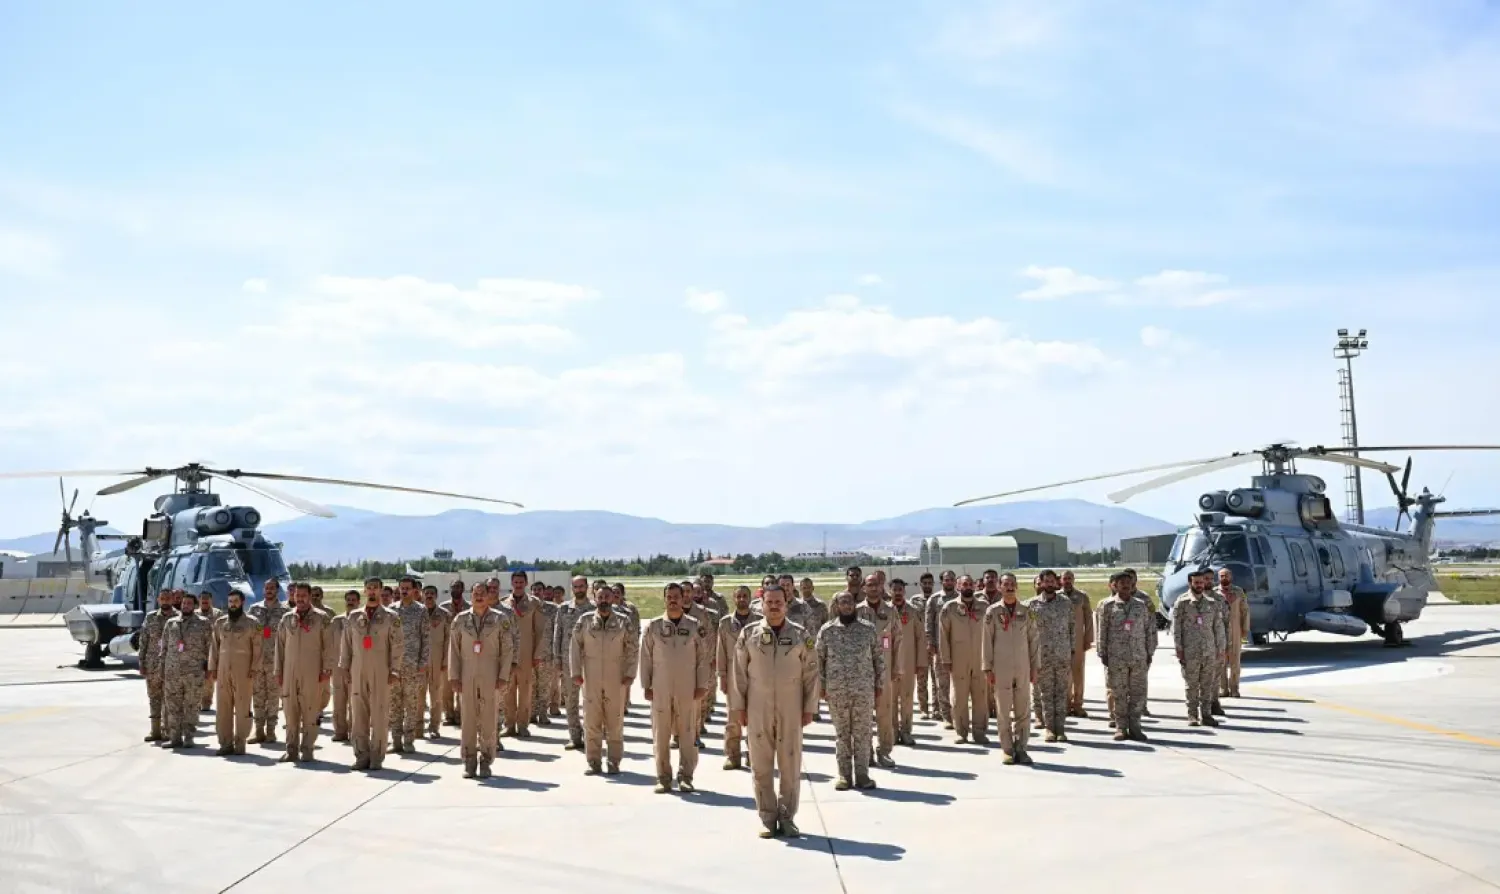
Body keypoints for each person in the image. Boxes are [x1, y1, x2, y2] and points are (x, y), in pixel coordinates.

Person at [734, 583, 818, 838]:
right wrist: (738, 707)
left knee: (790, 763)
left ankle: (787, 816)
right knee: (760, 763)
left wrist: (809, 707)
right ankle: (767, 818)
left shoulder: (802, 635)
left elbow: (812, 673)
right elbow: (738, 673)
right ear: (762, 604)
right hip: (758, 706)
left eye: (778, 602)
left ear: (786, 603)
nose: (773, 607)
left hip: (790, 707)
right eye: (769, 602)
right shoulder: (749, 634)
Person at [641, 583, 712, 793]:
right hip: (660, 688)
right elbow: (645, 658)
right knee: (661, 734)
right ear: (664, 599)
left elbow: (703, 658)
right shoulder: (653, 627)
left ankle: (686, 776)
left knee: (688, 734)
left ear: (684, 599)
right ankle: (663, 777)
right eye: (669, 597)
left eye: (676, 597)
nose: (672, 600)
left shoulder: (693, 626)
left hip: (687, 688)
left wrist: (702, 685)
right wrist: (647, 685)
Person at [815, 589, 879, 792]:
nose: (847, 606)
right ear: (837, 606)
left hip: (863, 691)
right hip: (837, 692)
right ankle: (844, 775)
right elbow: (818, 661)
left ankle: (862, 775)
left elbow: (878, 659)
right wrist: (821, 687)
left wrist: (879, 684)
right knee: (842, 735)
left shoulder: (868, 629)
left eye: (850, 602)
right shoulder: (827, 631)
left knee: (863, 734)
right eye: (843, 603)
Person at [448, 584, 514, 778]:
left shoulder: (500, 619)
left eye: (482, 594)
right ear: (471, 595)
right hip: (467, 674)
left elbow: (507, 649)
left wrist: (503, 676)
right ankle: (468, 761)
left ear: (489, 596)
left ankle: (486, 760)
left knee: (488, 719)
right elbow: (454, 650)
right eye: (475, 594)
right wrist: (454, 677)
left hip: (490, 674)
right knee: (467, 719)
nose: (478, 597)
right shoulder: (460, 620)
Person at [570, 591, 638, 776]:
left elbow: (632, 647)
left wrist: (630, 673)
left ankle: (614, 761)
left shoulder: (624, 621)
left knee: (614, 722)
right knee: (591, 721)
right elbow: (575, 647)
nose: (604, 601)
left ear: (613, 599)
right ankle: (593, 761)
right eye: (600, 598)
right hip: (590, 677)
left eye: (607, 597)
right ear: (595, 599)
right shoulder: (585, 621)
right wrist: (575, 672)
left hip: (615, 677)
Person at [342, 578, 401, 771]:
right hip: (358, 669)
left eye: (376, 588)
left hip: (381, 670)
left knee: (379, 715)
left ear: (381, 590)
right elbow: (347, 644)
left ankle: (377, 756)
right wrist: (345, 668)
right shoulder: (353, 617)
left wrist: (395, 669)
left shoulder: (391, 617)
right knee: (358, 715)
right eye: (369, 588)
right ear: (365, 591)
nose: (372, 591)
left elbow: (397, 646)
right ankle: (361, 755)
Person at [276, 582, 334, 763]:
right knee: (290, 712)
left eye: (303, 595)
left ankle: (308, 749)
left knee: (310, 712)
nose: (299, 599)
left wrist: (326, 670)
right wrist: (278, 671)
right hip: (290, 673)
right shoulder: (287, 619)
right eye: (296, 595)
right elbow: (280, 647)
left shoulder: (321, 618)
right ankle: (291, 749)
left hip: (312, 672)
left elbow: (329, 647)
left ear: (309, 597)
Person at [983, 578, 1038, 764]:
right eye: (1005, 584)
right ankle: (1007, 749)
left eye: (1012, 584)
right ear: (1000, 587)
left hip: (1022, 668)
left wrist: (1034, 667)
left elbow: (1034, 640)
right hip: (1001, 668)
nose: (1009, 587)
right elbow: (987, 642)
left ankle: (1021, 748)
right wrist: (987, 668)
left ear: (1017, 586)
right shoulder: (993, 612)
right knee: (1003, 711)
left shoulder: (1026, 611)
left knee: (1023, 710)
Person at [1097, 572, 1154, 741]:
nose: (1125, 585)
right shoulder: (1107, 606)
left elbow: (1149, 630)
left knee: (1137, 693)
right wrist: (1103, 653)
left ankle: (1135, 726)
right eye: (1121, 583)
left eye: (1128, 582)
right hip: (1116, 657)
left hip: (1138, 655)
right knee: (1119, 693)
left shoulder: (1141, 605)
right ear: (1114, 585)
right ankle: (1121, 727)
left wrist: (1149, 651)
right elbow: (1102, 631)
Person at [856, 573, 900, 768]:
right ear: (864, 587)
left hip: (885, 668)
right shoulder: (856, 611)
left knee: (885, 713)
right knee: (864, 715)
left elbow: (897, 640)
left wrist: (897, 667)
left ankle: (885, 752)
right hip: (861, 670)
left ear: (882, 587)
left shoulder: (890, 610)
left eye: (877, 584)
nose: (874, 588)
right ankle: (866, 753)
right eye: (870, 584)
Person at [208, 588, 259, 756]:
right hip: (223, 671)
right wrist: (212, 668)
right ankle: (225, 743)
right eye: (230, 602)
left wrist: (255, 668)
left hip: (244, 672)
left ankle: (240, 743)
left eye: (236, 601)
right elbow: (214, 647)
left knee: (243, 707)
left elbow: (258, 648)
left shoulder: (252, 623)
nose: (233, 605)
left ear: (242, 602)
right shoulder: (220, 623)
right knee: (223, 708)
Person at [939, 575, 990, 744]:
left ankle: (979, 732)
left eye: (970, 583)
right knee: (959, 698)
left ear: (975, 586)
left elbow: (992, 634)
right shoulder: (950, 608)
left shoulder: (984, 606)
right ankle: (961, 732)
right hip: (958, 659)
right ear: (958, 586)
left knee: (981, 697)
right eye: (964, 584)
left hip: (980, 658)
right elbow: (943, 635)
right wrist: (946, 659)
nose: (967, 586)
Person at [1171, 568, 1224, 727]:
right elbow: (1177, 628)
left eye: (1202, 582)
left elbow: (1218, 627)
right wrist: (1179, 649)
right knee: (1192, 685)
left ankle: (1206, 714)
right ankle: (1192, 715)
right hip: (1190, 651)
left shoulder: (1212, 604)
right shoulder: (1182, 602)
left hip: (1209, 650)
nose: (1200, 585)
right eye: (1196, 583)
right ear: (1190, 583)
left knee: (1208, 684)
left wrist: (1220, 649)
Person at [1028, 570, 1075, 743]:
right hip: (1042, 657)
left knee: (1061, 693)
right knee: (1046, 694)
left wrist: (1072, 650)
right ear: (1040, 583)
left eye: (1051, 581)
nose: (1048, 584)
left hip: (1062, 655)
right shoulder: (1032, 605)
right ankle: (1049, 728)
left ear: (1056, 583)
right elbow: (1028, 632)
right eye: (1045, 581)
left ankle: (1060, 728)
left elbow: (1072, 627)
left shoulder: (1066, 603)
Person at [717, 586, 761, 770]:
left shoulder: (760, 621)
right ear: (733, 599)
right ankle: (732, 756)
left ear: (750, 598)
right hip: (733, 675)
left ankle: (753, 755)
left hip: (755, 676)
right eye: (738, 596)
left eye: (745, 596)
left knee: (755, 718)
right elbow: (720, 651)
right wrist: (722, 676)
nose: (742, 599)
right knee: (733, 719)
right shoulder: (725, 623)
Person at [162, 591, 212, 749]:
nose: (185, 606)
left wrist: (209, 668)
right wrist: (162, 668)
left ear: (195, 606)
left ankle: (189, 737)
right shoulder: (171, 623)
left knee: (191, 705)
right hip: (173, 672)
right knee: (173, 705)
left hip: (194, 673)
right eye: (184, 603)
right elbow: (163, 647)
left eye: (189, 603)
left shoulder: (204, 623)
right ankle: (175, 737)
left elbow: (210, 647)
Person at [502, 572, 546, 739]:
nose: (518, 584)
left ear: (526, 583)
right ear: (512, 583)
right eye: (516, 582)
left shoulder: (535, 603)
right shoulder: (504, 603)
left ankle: (523, 725)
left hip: (526, 653)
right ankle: (509, 724)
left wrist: (537, 653)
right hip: (508, 653)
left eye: (521, 582)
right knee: (508, 690)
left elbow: (540, 630)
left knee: (525, 690)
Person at [554, 576, 595, 751]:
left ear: (587, 587)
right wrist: (556, 659)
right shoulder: (563, 609)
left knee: (591, 702)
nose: (578, 589)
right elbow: (558, 634)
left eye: (581, 586)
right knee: (571, 701)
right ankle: (575, 737)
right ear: (571, 588)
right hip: (568, 661)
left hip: (590, 662)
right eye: (575, 586)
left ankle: (591, 736)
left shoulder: (594, 609)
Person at [390, 577, 430, 754]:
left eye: (408, 588)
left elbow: (426, 639)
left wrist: (422, 663)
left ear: (415, 591)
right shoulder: (390, 611)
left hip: (412, 665)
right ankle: (396, 740)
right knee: (394, 704)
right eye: (402, 588)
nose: (404, 591)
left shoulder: (421, 611)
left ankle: (408, 740)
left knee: (411, 704)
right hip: (393, 667)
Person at [247, 579, 288, 744]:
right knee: (257, 696)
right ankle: (258, 731)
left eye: (272, 588)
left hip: (276, 661)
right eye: (267, 588)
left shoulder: (285, 611)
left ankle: (270, 731)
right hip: (257, 660)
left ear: (277, 590)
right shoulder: (254, 609)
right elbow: (248, 634)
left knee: (272, 697)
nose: (269, 590)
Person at [888, 579, 927, 747]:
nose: (897, 592)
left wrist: (921, 662)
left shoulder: (913, 611)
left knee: (907, 698)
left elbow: (920, 637)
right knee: (890, 699)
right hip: (889, 662)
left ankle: (906, 732)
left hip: (908, 662)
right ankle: (892, 732)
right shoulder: (884, 611)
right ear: (889, 591)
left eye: (900, 589)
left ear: (904, 591)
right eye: (894, 589)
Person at [139, 588, 178, 742]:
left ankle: (167, 730)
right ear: (158, 600)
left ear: (172, 600)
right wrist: (141, 662)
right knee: (154, 697)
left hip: (171, 665)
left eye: (168, 598)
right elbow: (143, 641)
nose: (165, 601)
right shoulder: (150, 618)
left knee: (170, 698)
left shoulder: (178, 617)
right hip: (153, 665)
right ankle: (155, 730)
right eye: (162, 598)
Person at [924, 570, 958, 727]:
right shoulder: (934, 599)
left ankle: (959, 713)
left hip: (959, 646)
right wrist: (930, 642)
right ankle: (946, 716)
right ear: (942, 581)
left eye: (952, 579)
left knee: (959, 683)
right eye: (946, 580)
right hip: (940, 647)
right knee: (942, 682)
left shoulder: (960, 598)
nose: (949, 582)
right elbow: (928, 622)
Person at [1061, 570, 1094, 718]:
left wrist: (1088, 638)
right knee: (1064, 674)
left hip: (1078, 640)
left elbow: (1089, 618)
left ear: (1073, 580)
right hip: (1060, 641)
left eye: (1070, 578)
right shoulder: (1056, 597)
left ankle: (1078, 704)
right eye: (1065, 578)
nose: (1067, 581)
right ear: (1060, 580)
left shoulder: (1081, 596)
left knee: (1078, 674)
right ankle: (1066, 705)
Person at [423, 585, 452, 739]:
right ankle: (417, 727)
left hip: (437, 660)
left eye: (431, 594)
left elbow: (449, 639)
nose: (429, 596)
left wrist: (445, 661)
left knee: (436, 695)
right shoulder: (417, 613)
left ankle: (434, 726)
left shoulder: (444, 615)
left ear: (436, 595)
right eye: (426, 593)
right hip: (419, 661)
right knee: (417, 695)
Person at [329, 590, 359, 742]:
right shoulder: (336, 621)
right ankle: (340, 731)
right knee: (339, 699)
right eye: (348, 599)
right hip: (338, 666)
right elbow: (328, 644)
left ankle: (355, 730)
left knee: (355, 699)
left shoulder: (362, 620)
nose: (350, 602)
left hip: (356, 666)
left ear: (359, 602)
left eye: (353, 599)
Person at [1217, 567, 1251, 698]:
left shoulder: (1238, 592)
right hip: (1220, 631)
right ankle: (1223, 689)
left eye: (1226, 575)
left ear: (1231, 577)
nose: (1224, 578)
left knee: (1235, 661)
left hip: (1235, 630)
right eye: (1222, 576)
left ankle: (1234, 688)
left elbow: (1245, 611)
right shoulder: (1215, 593)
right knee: (1221, 661)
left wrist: (1245, 628)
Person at [530, 580, 558, 727]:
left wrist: (555, 653)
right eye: (534, 590)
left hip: (546, 654)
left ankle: (543, 713)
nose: (536, 592)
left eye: (539, 590)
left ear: (544, 591)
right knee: (531, 686)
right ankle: (532, 713)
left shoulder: (553, 609)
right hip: (529, 654)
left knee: (544, 686)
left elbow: (556, 632)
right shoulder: (526, 607)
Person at [443, 581, 470, 726]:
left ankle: (461, 714)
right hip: (447, 649)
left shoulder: (470, 607)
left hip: (465, 650)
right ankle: (449, 715)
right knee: (447, 685)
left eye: (458, 587)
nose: (455, 590)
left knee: (463, 684)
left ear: (463, 589)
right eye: (453, 587)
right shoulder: (443, 608)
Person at [909, 573, 934, 718]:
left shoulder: (937, 600)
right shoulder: (914, 601)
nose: (927, 585)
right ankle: (923, 708)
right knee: (922, 678)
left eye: (929, 583)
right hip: (920, 644)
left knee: (938, 678)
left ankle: (937, 709)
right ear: (920, 584)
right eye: (924, 583)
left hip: (935, 643)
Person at [198, 595, 221, 711]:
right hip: (196, 650)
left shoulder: (218, 614)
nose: (205, 601)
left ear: (211, 601)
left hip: (212, 649)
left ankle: (206, 703)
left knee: (209, 679)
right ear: (199, 600)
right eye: (203, 599)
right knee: (196, 677)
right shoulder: (195, 614)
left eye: (207, 599)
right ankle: (195, 701)